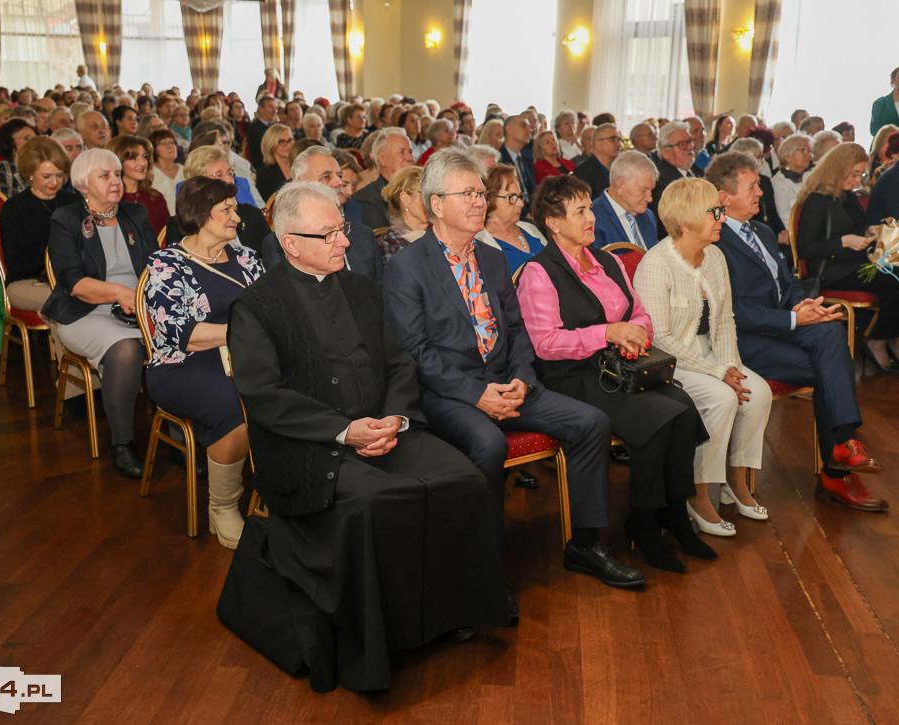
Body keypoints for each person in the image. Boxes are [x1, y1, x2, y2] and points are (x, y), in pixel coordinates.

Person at [223, 180, 511, 693]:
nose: (344, 241)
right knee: (374, 503)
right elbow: (265, 396)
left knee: (464, 480)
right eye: (329, 233)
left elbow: (400, 364)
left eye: (343, 228)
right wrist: (344, 431)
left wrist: (396, 420)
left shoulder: (360, 289)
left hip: (384, 426)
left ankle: (454, 612)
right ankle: (381, 639)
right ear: (290, 242)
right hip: (312, 446)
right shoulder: (257, 307)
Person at [382, 149, 645, 589]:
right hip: (448, 393)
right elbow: (415, 351)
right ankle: (482, 567)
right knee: (487, 444)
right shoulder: (406, 267)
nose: (479, 202)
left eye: (481, 193)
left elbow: (517, 328)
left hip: (510, 381)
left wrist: (522, 377)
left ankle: (585, 544)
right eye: (467, 193)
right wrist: (475, 394)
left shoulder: (491, 259)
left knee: (591, 422)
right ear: (436, 205)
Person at [516, 175, 714, 571]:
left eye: (590, 207)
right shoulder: (540, 271)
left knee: (683, 407)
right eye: (581, 211)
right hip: (572, 375)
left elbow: (638, 310)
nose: (592, 217)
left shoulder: (606, 260)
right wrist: (608, 332)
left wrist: (636, 333)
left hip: (619, 366)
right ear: (553, 222)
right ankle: (642, 522)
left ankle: (673, 515)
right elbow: (546, 343)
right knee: (657, 419)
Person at [706, 151, 888, 513]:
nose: (761, 192)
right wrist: (792, 320)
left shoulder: (760, 231)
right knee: (831, 366)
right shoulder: (714, 238)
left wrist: (804, 306)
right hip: (744, 340)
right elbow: (732, 311)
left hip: (780, 326)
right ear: (724, 197)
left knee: (830, 333)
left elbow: (788, 282)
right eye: (752, 186)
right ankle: (837, 465)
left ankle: (840, 450)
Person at [635, 178, 773, 536]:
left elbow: (725, 320)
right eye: (714, 211)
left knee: (758, 393)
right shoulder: (656, 264)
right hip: (670, 361)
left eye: (720, 210)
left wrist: (728, 365)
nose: (722, 218)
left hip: (712, 354)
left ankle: (736, 481)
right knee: (723, 397)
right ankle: (697, 494)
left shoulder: (715, 256)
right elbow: (660, 339)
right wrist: (716, 372)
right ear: (685, 221)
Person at [144, 177, 264, 548]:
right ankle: (223, 506)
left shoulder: (246, 258)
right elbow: (186, 335)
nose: (236, 216)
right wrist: (243, 333)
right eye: (226, 209)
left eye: (235, 207)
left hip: (246, 359)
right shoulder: (166, 264)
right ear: (199, 213)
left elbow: (270, 312)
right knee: (238, 407)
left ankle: (284, 495)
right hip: (182, 365)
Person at [41, 149, 159, 478]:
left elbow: (156, 266)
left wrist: (144, 299)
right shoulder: (65, 219)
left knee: (181, 338)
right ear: (82, 184)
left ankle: (179, 432)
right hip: (85, 311)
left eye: (117, 174)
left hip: (137, 307)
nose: (116, 181)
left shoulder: (135, 213)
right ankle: (121, 444)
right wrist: (121, 294)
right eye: (105, 176)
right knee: (126, 349)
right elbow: (73, 282)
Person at [795, 142, 899, 371]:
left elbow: (855, 228)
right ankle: (877, 341)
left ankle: (890, 337)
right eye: (854, 174)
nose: (857, 180)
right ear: (837, 169)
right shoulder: (817, 199)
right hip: (832, 271)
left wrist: (868, 232)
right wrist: (843, 242)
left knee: (897, 275)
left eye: (860, 174)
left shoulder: (847, 196)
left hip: (854, 264)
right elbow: (805, 247)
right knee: (894, 281)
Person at [261, 147, 383, 285]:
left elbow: (379, 293)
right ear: (301, 183)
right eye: (326, 177)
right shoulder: (280, 243)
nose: (339, 182)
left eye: (339, 175)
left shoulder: (364, 235)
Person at [0, 136, 78, 313]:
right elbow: (17, 264)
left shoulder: (74, 202)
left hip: (70, 277)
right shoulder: (14, 208)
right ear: (30, 174)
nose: (55, 182)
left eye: (60, 175)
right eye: (46, 176)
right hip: (26, 282)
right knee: (62, 301)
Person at [477, 164, 545, 274]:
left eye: (519, 196)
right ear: (489, 198)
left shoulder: (530, 229)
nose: (521, 204)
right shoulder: (480, 243)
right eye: (511, 197)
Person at [591, 150, 659, 250]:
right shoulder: (592, 220)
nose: (650, 198)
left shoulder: (648, 217)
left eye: (651, 190)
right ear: (620, 186)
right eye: (643, 190)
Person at [106, 135, 169, 237]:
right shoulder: (109, 199)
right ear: (118, 162)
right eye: (134, 158)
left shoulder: (155, 198)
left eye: (144, 157)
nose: (143, 163)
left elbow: (167, 237)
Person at [351, 128, 414, 229]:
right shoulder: (366, 198)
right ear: (382, 158)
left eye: (410, 152)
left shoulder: (422, 190)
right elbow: (381, 240)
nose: (410, 158)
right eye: (402, 152)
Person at [650, 121, 699, 238]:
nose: (690, 147)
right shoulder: (661, 182)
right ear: (665, 152)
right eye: (682, 144)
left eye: (690, 141)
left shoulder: (698, 170)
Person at [377, 165, 428, 263]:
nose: (432, 202)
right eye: (425, 195)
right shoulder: (390, 244)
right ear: (405, 199)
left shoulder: (441, 234)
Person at [771, 132, 812, 226]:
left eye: (809, 151)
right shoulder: (779, 182)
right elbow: (786, 217)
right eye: (802, 150)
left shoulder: (809, 177)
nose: (808, 155)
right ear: (787, 157)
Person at [0, 118, 36, 198]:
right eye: (26, 138)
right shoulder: (2, 168)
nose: (32, 142)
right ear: (10, 142)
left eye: (35, 138)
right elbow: (4, 203)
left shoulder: (42, 165)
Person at [573, 123, 620, 200]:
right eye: (613, 139)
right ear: (598, 143)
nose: (618, 144)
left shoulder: (619, 168)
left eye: (619, 139)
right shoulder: (583, 171)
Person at [498, 115, 536, 202]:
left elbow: (533, 190)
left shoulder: (528, 158)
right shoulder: (498, 159)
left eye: (529, 127)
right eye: (523, 126)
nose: (529, 130)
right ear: (508, 129)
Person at [148, 129, 183, 216]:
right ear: (154, 149)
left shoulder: (185, 170)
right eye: (164, 143)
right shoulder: (149, 173)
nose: (170, 146)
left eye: (172, 142)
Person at [254, 123, 293, 200]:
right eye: (282, 141)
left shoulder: (301, 165)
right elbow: (268, 205)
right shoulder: (264, 174)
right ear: (271, 145)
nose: (287, 145)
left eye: (289, 140)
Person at [246, 97, 278, 164]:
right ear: (260, 109)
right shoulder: (254, 128)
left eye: (276, 108)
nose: (275, 111)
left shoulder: (273, 126)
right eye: (271, 107)